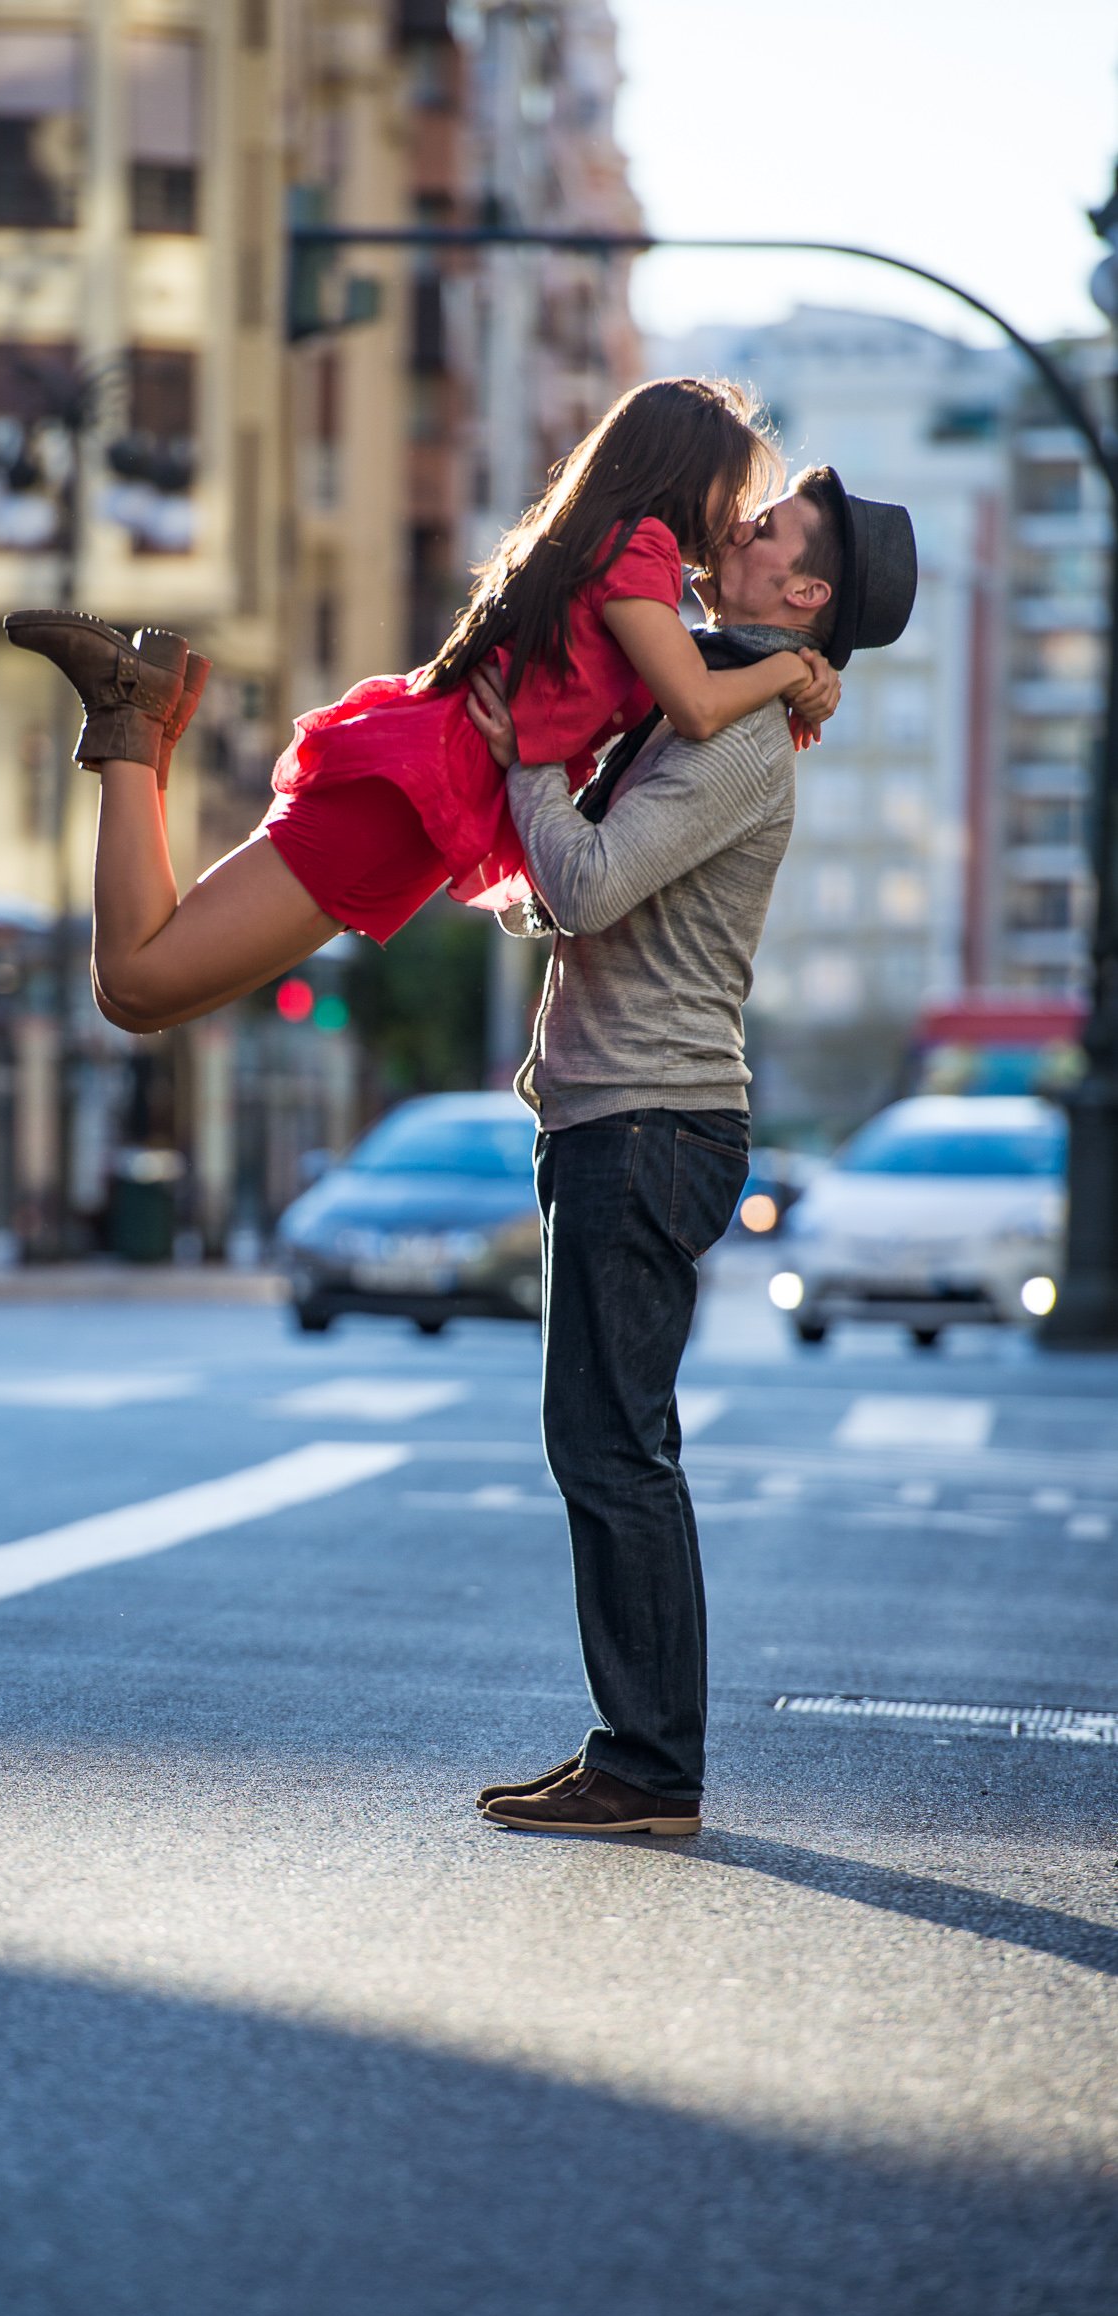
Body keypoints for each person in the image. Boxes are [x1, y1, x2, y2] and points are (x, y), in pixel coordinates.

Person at [469, 467, 918, 1838]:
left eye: (770, 527)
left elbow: (590, 880)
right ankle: (635, 1749)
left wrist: (525, 759)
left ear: (808, 595)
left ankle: (651, 1768)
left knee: (614, 1450)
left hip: (650, 1124)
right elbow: (584, 901)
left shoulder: (736, 738)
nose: (739, 527)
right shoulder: (714, 701)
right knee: (606, 1442)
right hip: (621, 1117)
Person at [4, 379, 839, 1035]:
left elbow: (683, 685)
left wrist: (793, 689)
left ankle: (137, 718)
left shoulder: (612, 549)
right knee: (139, 982)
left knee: (138, 998)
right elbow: (694, 706)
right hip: (416, 792)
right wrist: (791, 669)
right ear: (680, 475)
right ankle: (130, 715)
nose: (733, 522)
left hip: (424, 793)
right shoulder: (638, 548)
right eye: (733, 494)